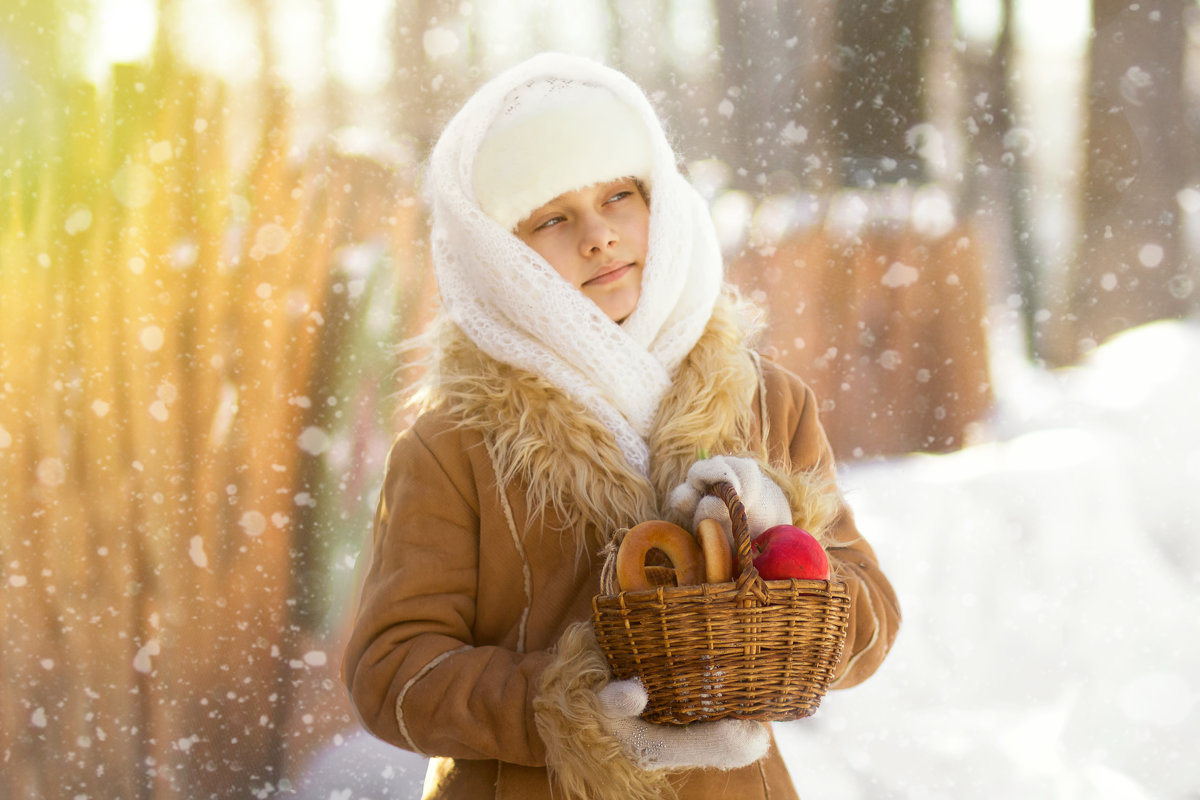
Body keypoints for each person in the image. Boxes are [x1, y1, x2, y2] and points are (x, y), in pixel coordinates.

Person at [341, 52, 900, 800]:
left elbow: (871, 623)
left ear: (661, 202)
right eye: (552, 217)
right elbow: (393, 672)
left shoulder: (768, 404)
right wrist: (570, 709)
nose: (599, 236)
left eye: (618, 195)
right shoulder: (454, 445)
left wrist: (782, 543)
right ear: (501, 256)